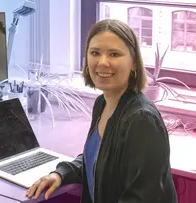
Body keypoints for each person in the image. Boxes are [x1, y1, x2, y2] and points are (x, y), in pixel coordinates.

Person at [26, 19, 178, 203]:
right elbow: (98, 160)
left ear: (134, 63)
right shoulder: (102, 104)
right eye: (95, 53)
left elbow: (142, 198)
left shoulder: (141, 119)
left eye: (114, 54)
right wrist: (60, 174)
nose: (102, 62)